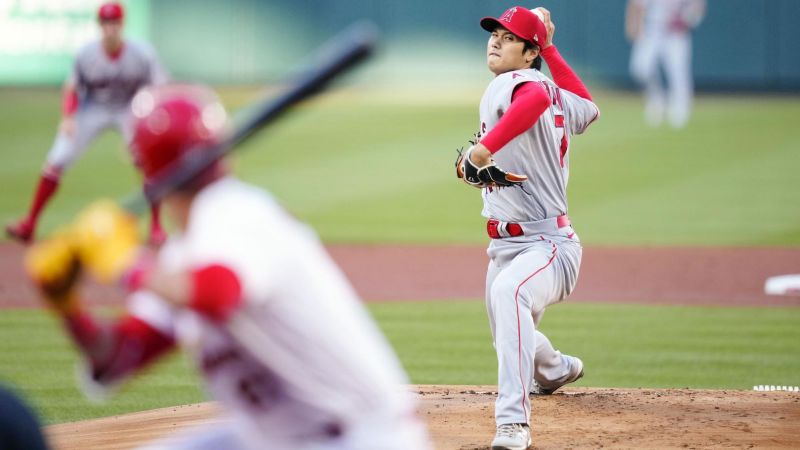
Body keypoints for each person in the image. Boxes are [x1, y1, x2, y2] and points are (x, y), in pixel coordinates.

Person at [24, 84, 431, 450]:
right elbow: (117, 357)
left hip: (360, 438)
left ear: (145, 170)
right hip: (276, 439)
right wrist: (66, 306)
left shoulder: (237, 213)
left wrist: (125, 265)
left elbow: (218, 292)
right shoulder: (183, 257)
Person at [456, 6, 599, 450]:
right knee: (506, 327)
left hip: (548, 245)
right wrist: (552, 48)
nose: (496, 41)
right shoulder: (547, 84)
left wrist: (482, 151)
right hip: (509, 245)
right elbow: (589, 109)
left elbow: (534, 100)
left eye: (509, 37)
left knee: (510, 295)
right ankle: (556, 369)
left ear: (528, 52)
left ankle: (513, 423)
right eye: (494, 33)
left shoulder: (526, 83)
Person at [6, 1, 169, 246]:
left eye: (114, 23)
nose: (110, 28)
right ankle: (29, 224)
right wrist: (68, 117)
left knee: (148, 162)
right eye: (105, 23)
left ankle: (156, 228)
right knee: (57, 158)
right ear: (99, 25)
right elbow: (72, 88)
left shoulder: (142, 53)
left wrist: (145, 123)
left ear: (122, 25)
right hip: (93, 109)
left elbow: (158, 89)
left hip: (130, 108)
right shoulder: (86, 53)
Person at [626, 0, 706, 128]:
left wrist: (688, 19)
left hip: (675, 32)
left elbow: (697, 6)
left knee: (678, 73)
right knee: (641, 69)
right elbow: (636, 5)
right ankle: (656, 99)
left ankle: (680, 111)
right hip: (651, 28)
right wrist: (632, 26)